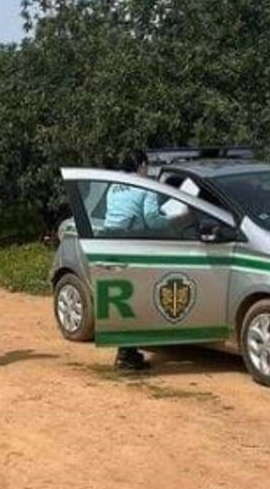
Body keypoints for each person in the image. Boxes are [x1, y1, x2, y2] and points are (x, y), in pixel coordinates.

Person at [104, 150, 170, 372]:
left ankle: (126, 351)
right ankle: (126, 355)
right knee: (136, 300)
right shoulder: (146, 186)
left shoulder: (114, 185)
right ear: (142, 165)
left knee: (124, 300)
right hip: (132, 244)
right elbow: (152, 220)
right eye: (147, 166)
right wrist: (175, 219)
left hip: (109, 244)